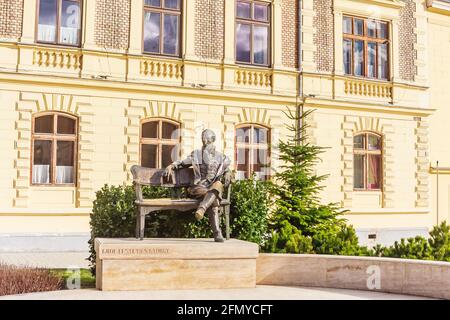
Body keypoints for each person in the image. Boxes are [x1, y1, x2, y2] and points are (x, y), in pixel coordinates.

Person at [164, 129, 231, 242]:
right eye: (203, 138)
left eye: (207, 139)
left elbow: (226, 169)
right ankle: (217, 233)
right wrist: (171, 166)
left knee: (218, 185)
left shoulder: (221, 157)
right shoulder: (196, 155)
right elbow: (182, 163)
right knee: (213, 198)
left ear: (212, 140)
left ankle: (202, 209)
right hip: (198, 188)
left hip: (212, 187)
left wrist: (229, 172)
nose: (204, 141)